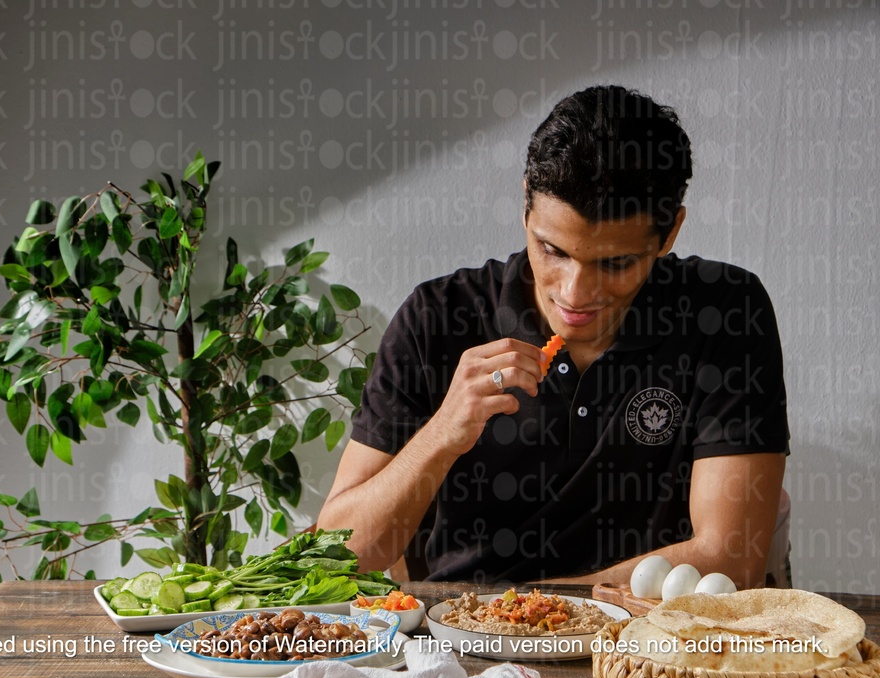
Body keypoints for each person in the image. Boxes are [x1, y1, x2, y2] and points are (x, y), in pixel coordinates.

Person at [317, 85, 789, 589]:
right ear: (526, 204)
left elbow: (729, 555)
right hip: (455, 649)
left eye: (615, 263)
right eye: (552, 249)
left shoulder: (725, 311)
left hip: (640, 646)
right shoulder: (437, 317)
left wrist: (531, 614)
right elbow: (338, 561)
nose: (575, 293)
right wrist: (441, 434)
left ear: (669, 233)